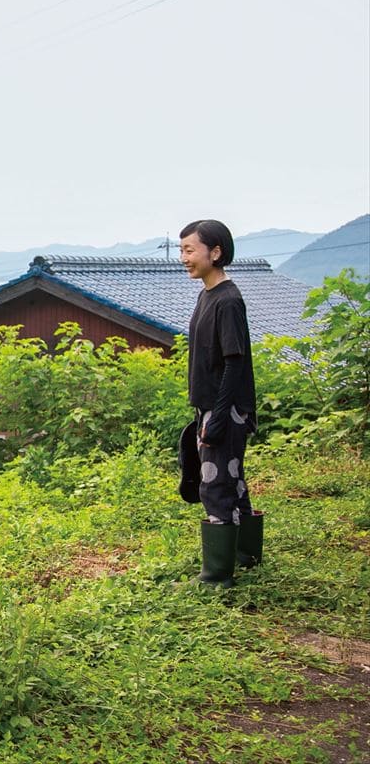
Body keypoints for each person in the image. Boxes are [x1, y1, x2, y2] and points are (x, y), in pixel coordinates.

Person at [179, 219, 263, 588]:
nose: (184, 258)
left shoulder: (228, 300)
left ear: (215, 252)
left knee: (214, 486)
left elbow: (235, 361)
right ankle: (246, 555)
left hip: (224, 407)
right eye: (182, 250)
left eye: (190, 250)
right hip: (212, 405)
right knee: (234, 483)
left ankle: (216, 577)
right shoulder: (207, 293)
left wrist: (218, 417)